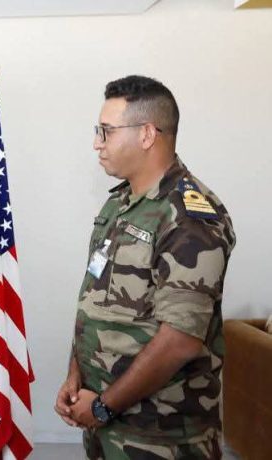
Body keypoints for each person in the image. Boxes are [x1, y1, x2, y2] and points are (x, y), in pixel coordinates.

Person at [55, 76, 235, 459]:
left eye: (106, 131)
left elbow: (180, 340)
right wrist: (76, 375)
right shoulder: (118, 206)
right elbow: (93, 301)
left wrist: (102, 406)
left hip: (160, 436)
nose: (97, 143)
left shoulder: (188, 217)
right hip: (108, 422)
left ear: (147, 134)